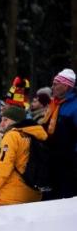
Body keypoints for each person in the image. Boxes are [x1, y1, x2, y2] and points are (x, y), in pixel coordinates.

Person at [0, 105, 48, 206]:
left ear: (16, 121)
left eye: (5, 120)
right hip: (34, 194)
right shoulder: (35, 135)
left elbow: (3, 167)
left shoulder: (12, 136)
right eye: (1, 120)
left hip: (10, 197)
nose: (1, 123)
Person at [40, 68, 77, 199]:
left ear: (66, 86)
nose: (52, 87)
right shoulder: (54, 104)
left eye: (56, 84)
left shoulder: (74, 106)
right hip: (51, 161)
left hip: (69, 164)